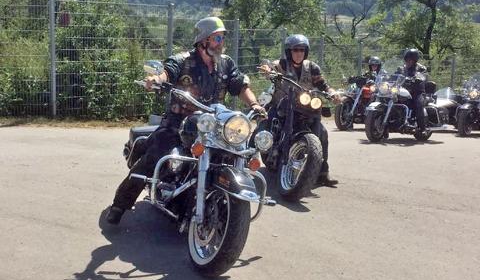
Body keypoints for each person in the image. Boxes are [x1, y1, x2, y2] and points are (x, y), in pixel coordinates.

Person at [107, 16, 264, 224]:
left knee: (238, 151)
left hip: (213, 126)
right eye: (217, 38)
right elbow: (168, 72)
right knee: (156, 154)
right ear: (204, 40)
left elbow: (240, 86)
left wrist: (255, 105)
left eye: (222, 38)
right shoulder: (183, 60)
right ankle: (120, 204)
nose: (221, 43)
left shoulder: (226, 63)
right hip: (178, 123)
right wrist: (157, 79)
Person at [260, 34, 340, 187]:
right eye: (295, 50)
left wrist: (332, 93)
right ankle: (261, 152)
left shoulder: (312, 67)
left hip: (304, 106)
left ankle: (323, 171)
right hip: (283, 104)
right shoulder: (282, 65)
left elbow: (323, 84)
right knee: (270, 120)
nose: (299, 53)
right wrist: (267, 70)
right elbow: (270, 67)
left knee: (322, 133)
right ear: (289, 51)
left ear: (306, 51)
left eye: (302, 50)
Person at [396, 48, 428, 134]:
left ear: (415, 60)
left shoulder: (421, 68)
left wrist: (418, 78)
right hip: (402, 90)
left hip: (417, 91)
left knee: (418, 103)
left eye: (411, 60)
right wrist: (387, 78)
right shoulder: (401, 68)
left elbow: (424, 76)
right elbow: (394, 76)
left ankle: (422, 128)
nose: (408, 61)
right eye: (407, 59)